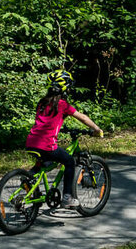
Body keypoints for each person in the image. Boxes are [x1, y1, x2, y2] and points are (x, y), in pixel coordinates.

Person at [25, 69, 103, 209]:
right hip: (47, 144)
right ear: (65, 88)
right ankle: (67, 197)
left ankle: (27, 177)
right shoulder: (62, 104)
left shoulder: (42, 103)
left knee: (46, 162)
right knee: (69, 161)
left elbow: (46, 121)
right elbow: (83, 118)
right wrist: (97, 129)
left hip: (31, 142)